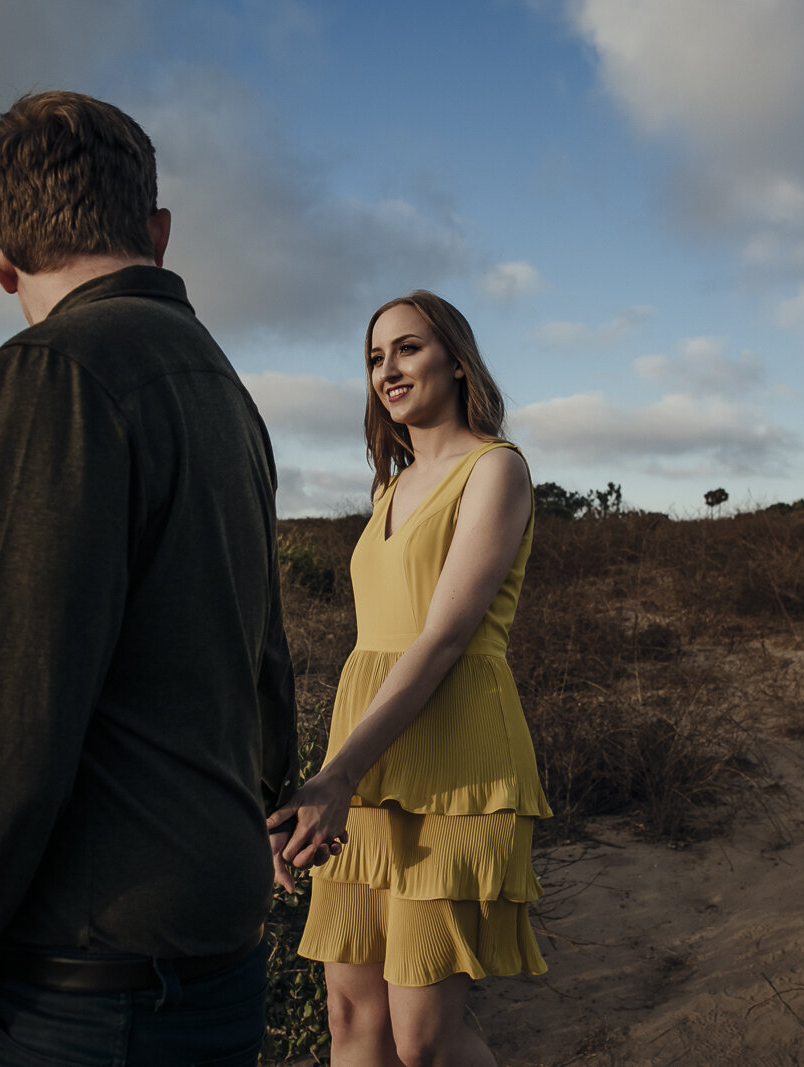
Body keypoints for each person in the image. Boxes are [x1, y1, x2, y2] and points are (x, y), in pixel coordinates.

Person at [0, 90, 301, 1067]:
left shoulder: (54, 372)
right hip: (213, 954)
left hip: (85, 990)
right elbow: (266, 664)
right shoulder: (223, 386)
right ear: (158, 231)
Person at [267, 291, 551, 1066]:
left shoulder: (495, 469)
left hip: (456, 763)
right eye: (374, 357)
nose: (387, 369)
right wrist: (335, 776)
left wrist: (339, 774)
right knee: (350, 1015)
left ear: (456, 360)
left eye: (408, 348)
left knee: (423, 1038)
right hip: (366, 760)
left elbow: (445, 636)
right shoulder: (388, 488)